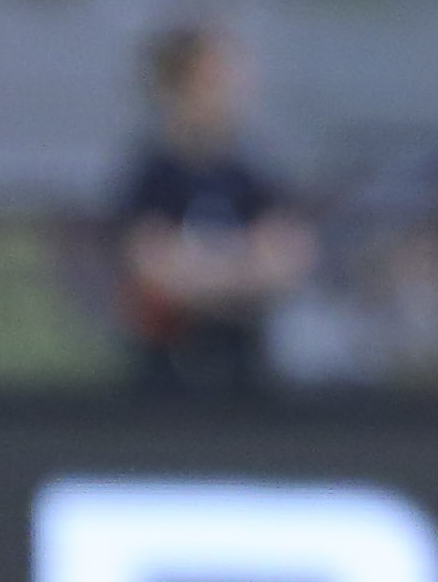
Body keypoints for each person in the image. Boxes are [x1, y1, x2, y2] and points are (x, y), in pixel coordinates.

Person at [114, 20, 313, 398]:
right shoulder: (151, 176)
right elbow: (154, 273)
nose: (228, 90)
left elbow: (284, 266)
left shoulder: (254, 176)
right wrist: (241, 266)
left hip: (245, 378)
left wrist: (202, 271)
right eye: (213, 78)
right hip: (162, 381)